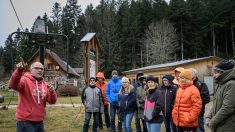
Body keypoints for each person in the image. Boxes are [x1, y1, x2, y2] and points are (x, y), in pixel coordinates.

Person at [8, 60, 57, 132]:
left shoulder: (45, 84)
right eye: (36, 68)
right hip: (25, 122)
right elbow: (13, 85)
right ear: (31, 70)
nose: (39, 70)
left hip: (40, 122)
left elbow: (52, 101)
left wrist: (52, 92)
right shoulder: (24, 80)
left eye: (41, 69)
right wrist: (18, 71)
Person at [205, 60, 235, 132]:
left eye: (216, 73)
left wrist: (212, 122)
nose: (213, 75)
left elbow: (227, 108)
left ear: (224, 73)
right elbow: (215, 103)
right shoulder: (219, 84)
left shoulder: (231, 85)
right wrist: (209, 116)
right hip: (218, 125)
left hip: (227, 127)